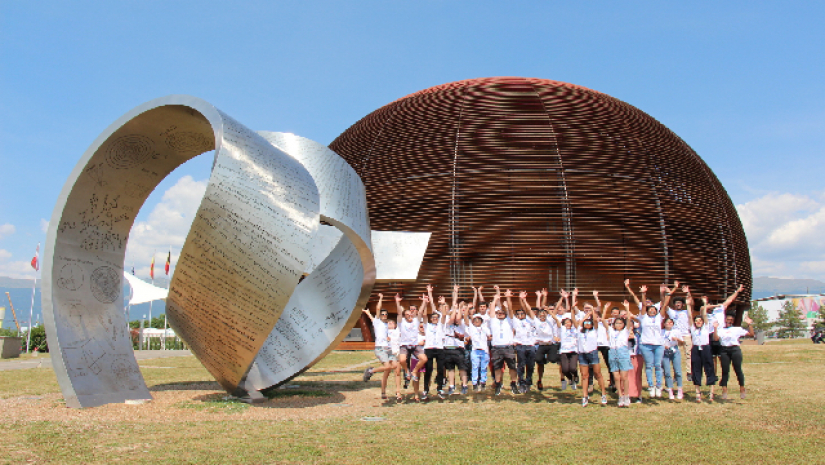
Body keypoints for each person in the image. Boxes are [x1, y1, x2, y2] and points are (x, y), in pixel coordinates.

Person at [626, 280, 666, 398]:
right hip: (645, 343)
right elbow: (640, 303)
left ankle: (659, 386)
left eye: (652, 306)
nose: (650, 307)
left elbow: (664, 303)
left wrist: (663, 293)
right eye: (648, 306)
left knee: (657, 365)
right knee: (649, 365)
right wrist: (642, 293)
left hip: (658, 344)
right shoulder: (643, 317)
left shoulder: (659, 316)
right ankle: (651, 386)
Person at [362, 294, 402, 401]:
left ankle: (388, 392)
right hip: (380, 348)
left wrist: (368, 313)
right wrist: (380, 298)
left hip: (388, 349)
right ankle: (371, 371)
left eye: (386, 314)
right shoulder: (377, 322)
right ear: (380, 315)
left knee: (395, 367)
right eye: (382, 314)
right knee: (388, 367)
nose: (384, 315)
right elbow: (378, 309)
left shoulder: (387, 325)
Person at [573, 291, 608, 407]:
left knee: (598, 374)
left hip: (592, 353)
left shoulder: (595, 330)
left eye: (589, 322)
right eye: (585, 323)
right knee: (584, 376)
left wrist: (592, 310)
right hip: (582, 354)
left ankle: (603, 394)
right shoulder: (579, 330)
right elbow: (575, 320)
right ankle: (584, 396)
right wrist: (575, 309)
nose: (587, 324)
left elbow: (593, 319)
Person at [395, 293, 428, 402]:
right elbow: (399, 312)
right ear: (405, 316)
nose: (410, 315)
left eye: (411, 314)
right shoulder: (401, 322)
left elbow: (422, 310)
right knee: (402, 360)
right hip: (404, 345)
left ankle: (414, 371)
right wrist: (397, 301)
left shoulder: (416, 320)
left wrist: (424, 301)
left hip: (415, 346)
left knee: (424, 359)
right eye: (407, 314)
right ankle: (407, 371)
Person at [487, 286, 519, 396]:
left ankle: (514, 383)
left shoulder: (509, 320)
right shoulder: (493, 321)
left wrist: (508, 298)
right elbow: (491, 310)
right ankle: (498, 384)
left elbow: (510, 309)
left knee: (512, 367)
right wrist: (495, 299)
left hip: (508, 347)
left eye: (501, 312)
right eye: (498, 312)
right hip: (496, 347)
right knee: (497, 367)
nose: (500, 313)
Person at [715, 312, 754, 400]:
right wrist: (715, 328)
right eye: (728, 319)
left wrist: (749, 324)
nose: (729, 321)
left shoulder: (737, 329)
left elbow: (751, 334)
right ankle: (724, 389)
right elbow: (716, 338)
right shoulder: (720, 329)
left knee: (738, 370)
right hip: (724, 350)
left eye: (731, 320)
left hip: (735, 350)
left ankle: (742, 388)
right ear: (725, 320)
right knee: (725, 371)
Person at [605, 301, 634, 407]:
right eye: (616, 323)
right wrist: (605, 309)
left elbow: (629, 319)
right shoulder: (611, 331)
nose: (618, 325)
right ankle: (620, 396)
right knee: (616, 377)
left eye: (620, 323)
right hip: (613, 353)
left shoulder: (625, 331)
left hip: (623, 353)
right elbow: (603, 322)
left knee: (624, 376)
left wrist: (627, 307)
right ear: (614, 324)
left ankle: (626, 395)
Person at [660, 282, 692, 378]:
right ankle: (674, 375)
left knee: (688, 354)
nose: (678, 304)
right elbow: (664, 304)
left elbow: (690, 302)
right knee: (674, 355)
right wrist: (665, 293)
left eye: (680, 303)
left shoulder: (686, 311)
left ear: (682, 304)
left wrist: (688, 293)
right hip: (675, 336)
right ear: (674, 305)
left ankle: (689, 372)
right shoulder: (672, 312)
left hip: (686, 335)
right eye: (676, 303)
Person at [420, 285, 446, 401]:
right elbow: (424, 315)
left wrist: (443, 304)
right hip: (429, 348)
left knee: (440, 369)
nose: (435, 318)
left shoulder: (441, 325)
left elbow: (443, 314)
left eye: (436, 317)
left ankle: (440, 388)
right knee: (428, 370)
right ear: (431, 319)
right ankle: (426, 390)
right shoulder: (427, 325)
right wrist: (426, 301)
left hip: (440, 349)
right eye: (433, 317)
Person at [534, 290, 563, 391]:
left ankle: (548, 358)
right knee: (538, 361)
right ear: (538, 315)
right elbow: (536, 308)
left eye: (544, 313)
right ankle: (539, 380)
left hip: (551, 345)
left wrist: (562, 297)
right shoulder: (536, 321)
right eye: (540, 314)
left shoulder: (550, 319)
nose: (542, 315)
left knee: (554, 359)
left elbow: (555, 309)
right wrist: (542, 297)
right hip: (541, 345)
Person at [691, 295, 717, 402]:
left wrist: (705, 303)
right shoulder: (693, 329)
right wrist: (688, 305)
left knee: (709, 368)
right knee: (696, 369)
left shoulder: (706, 328)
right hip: (696, 349)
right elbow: (689, 316)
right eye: (696, 321)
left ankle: (711, 392)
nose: (698, 322)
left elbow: (705, 315)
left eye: (700, 321)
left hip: (706, 348)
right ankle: (698, 392)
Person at [463, 292, 492, 391]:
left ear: (481, 321)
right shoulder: (471, 327)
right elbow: (465, 318)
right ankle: (475, 383)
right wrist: (468, 308)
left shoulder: (485, 328)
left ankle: (483, 382)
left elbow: (490, 336)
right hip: (475, 350)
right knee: (475, 367)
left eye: (478, 320)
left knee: (483, 367)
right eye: (475, 320)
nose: (476, 322)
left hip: (484, 350)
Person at [552, 289, 578, 391]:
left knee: (572, 367)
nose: (560, 310)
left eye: (561, 308)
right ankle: (567, 379)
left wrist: (569, 300)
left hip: (571, 347)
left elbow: (570, 312)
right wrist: (562, 298)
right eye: (558, 308)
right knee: (563, 367)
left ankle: (574, 378)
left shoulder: (570, 321)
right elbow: (553, 314)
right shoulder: (558, 322)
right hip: (560, 345)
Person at [513, 291, 537, 393]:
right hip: (520, 346)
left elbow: (528, 309)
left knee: (530, 365)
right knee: (521, 365)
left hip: (531, 345)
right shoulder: (515, 321)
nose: (520, 315)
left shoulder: (530, 320)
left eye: (522, 313)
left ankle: (528, 381)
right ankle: (521, 383)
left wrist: (524, 300)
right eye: (518, 314)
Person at [661, 317, 684, 400]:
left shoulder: (676, 331)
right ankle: (670, 390)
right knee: (667, 372)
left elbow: (682, 343)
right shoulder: (661, 332)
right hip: (665, 352)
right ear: (664, 324)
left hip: (675, 351)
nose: (669, 323)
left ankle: (679, 389)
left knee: (677, 371)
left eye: (671, 322)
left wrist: (677, 339)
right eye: (667, 322)